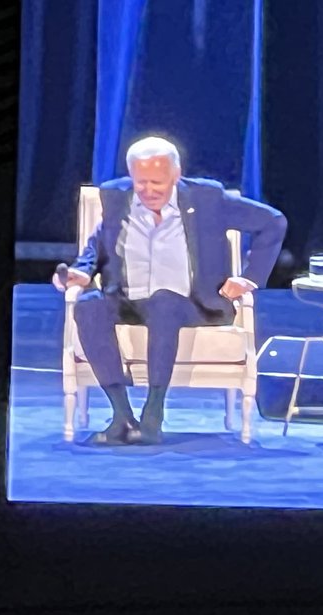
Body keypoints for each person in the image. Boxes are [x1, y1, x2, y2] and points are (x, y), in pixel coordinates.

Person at [53, 136, 287, 444]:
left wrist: (250, 278)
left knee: (163, 300)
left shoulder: (207, 199)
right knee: (88, 306)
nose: (149, 191)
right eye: (141, 182)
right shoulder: (115, 196)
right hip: (127, 299)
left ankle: (153, 413)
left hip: (191, 304)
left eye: (157, 183)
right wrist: (81, 272)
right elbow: (100, 241)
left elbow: (273, 222)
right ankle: (121, 416)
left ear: (176, 175)